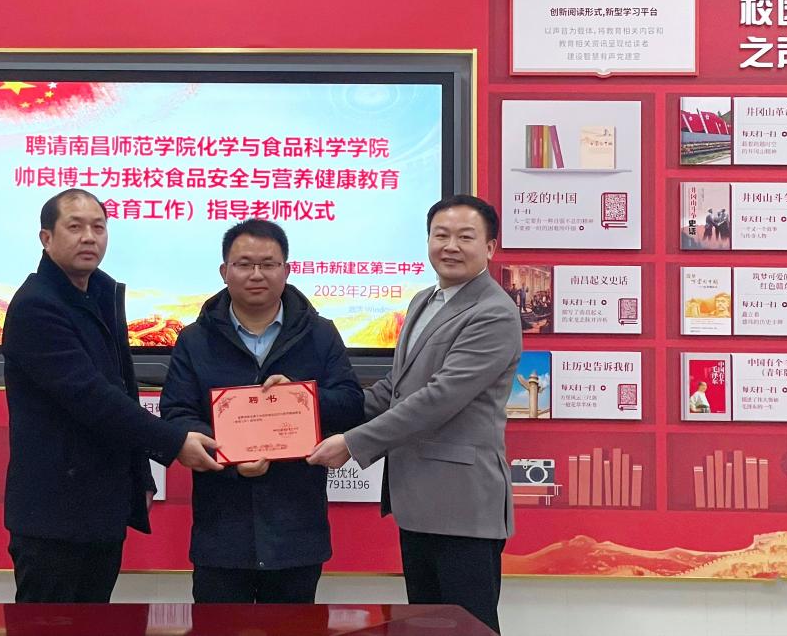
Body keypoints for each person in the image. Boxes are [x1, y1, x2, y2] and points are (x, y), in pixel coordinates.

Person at [308, 194, 521, 634]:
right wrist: (308, 411)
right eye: (441, 235)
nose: (451, 246)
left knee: (469, 627)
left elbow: (438, 399)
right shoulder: (424, 300)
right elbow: (395, 388)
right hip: (418, 500)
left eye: (465, 237)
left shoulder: (494, 312)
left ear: (490, 247)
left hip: (463, 504)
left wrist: (352, 443)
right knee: (426, 625)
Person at [2, 188, 223, 602]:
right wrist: (175, 441)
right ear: (46, 238)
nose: (89, 237)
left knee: (95, 622)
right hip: (54, 512)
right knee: (47, 626)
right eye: (75, 226)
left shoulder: (100, 294)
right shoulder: (36, 306)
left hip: (101, 505)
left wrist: (140, 476)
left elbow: (124, 390)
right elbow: (93, 398)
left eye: (98, 227)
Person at [160, 219, 365, 603]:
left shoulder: (320, 334)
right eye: (244, 264)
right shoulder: (194, 339)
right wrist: (231, 455)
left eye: (269, 264)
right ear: (224, 271)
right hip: (221, 532)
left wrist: (301, 399)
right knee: (217, 628)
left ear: (287, 270)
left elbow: (351, 405)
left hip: (296, 531)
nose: (257, 274)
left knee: (294, 628)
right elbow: (177, 413)